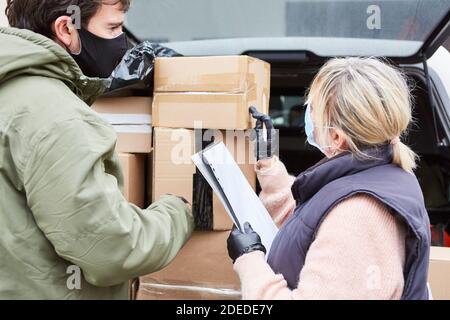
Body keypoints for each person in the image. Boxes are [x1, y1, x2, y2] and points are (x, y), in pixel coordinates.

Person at [0, 0, 193, 299]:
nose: (123, 43)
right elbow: (111, 249)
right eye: (114, 27)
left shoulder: (11, 92)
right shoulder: (55, 116)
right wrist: (178, 211)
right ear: (66, 28)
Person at [227, 57, 431, 300]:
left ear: (336, 137)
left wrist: (250, 259)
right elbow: (314, 220)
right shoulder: (380, 175)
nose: (308, 113)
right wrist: (269, 165)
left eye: (312, 107)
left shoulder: (358, 216)